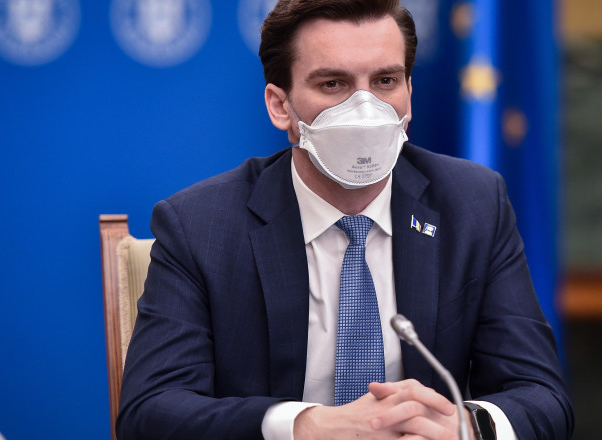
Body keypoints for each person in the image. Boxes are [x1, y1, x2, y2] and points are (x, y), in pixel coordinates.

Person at [116, 0, 574, 439]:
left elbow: (542, 395)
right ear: (281, 107)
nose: (365, 108)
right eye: (333, 84)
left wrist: (465, 428)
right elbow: (150, 410)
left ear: (409, 93)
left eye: (385, 81)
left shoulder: (473, 205)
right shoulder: (201, 226)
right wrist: (306, 427)